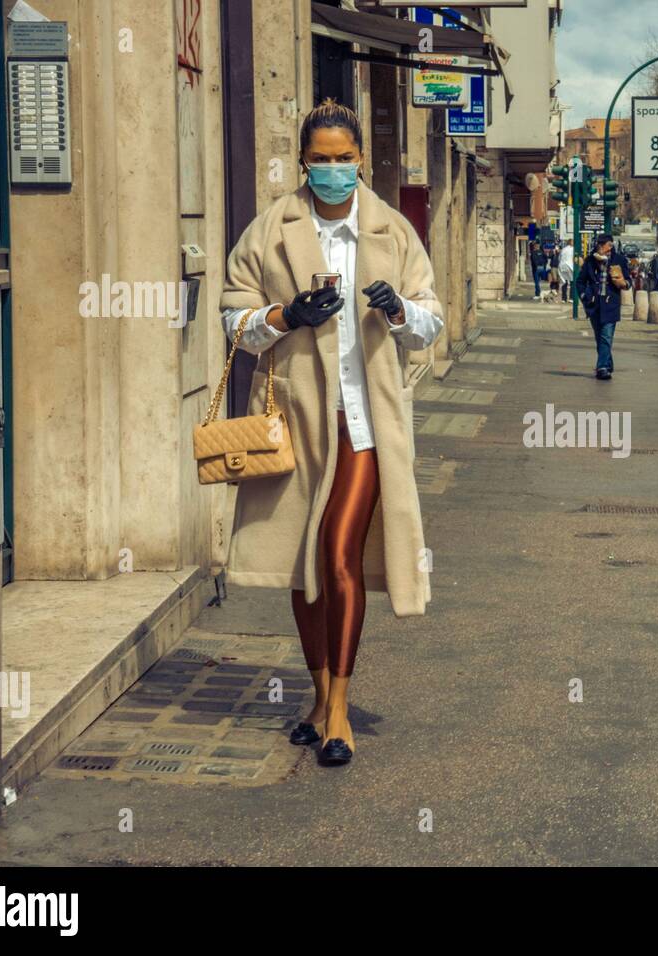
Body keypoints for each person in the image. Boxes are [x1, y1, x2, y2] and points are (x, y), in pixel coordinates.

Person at [219, 99, 443, 767]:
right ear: (303, 162)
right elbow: (234, 317)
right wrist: (285, 314)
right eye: (322, 159)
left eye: (346, 159)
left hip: (367, 422)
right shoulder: (271, 230)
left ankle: (339, 710)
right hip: (297, 419)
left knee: (339, 550)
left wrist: (399, 310)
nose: (335, 170)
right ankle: (316, 696)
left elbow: (433, 318)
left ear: (361, 162)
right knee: (305, 562)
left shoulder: (392, 231)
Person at [578, 233, 630, 379]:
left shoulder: (619, 260)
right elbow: (580, 281)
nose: (605, 249)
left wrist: (623, 283)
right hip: (594, 305)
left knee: (606, 336)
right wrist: (583, 296)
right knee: (599, 338)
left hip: (610, 304)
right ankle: (607, 364)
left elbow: (628, 281)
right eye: (602, 246)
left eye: (607, 246)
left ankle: (601, 368)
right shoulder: (590, 261)